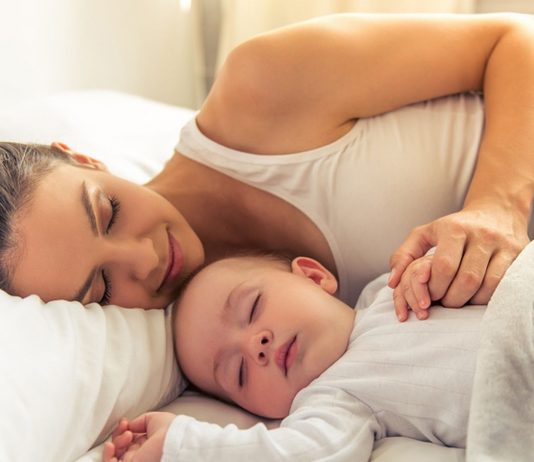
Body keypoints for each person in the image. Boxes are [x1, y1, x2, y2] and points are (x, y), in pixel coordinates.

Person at [2, 13, 534, 319]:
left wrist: (498, 206)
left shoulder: (260, 88)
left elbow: (515, 39)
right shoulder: (217, 341)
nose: (142, 259)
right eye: (101, 288)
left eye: (109, 212)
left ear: (83, 158)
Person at [101, 253, 484, 461]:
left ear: (314, 277)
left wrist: (438, 264)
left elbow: (481, 259)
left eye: (252, 309)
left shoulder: (394, 286)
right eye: (238, 373)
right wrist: (182, 444)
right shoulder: (335, 400)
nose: (255, 345)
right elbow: (301, 453)